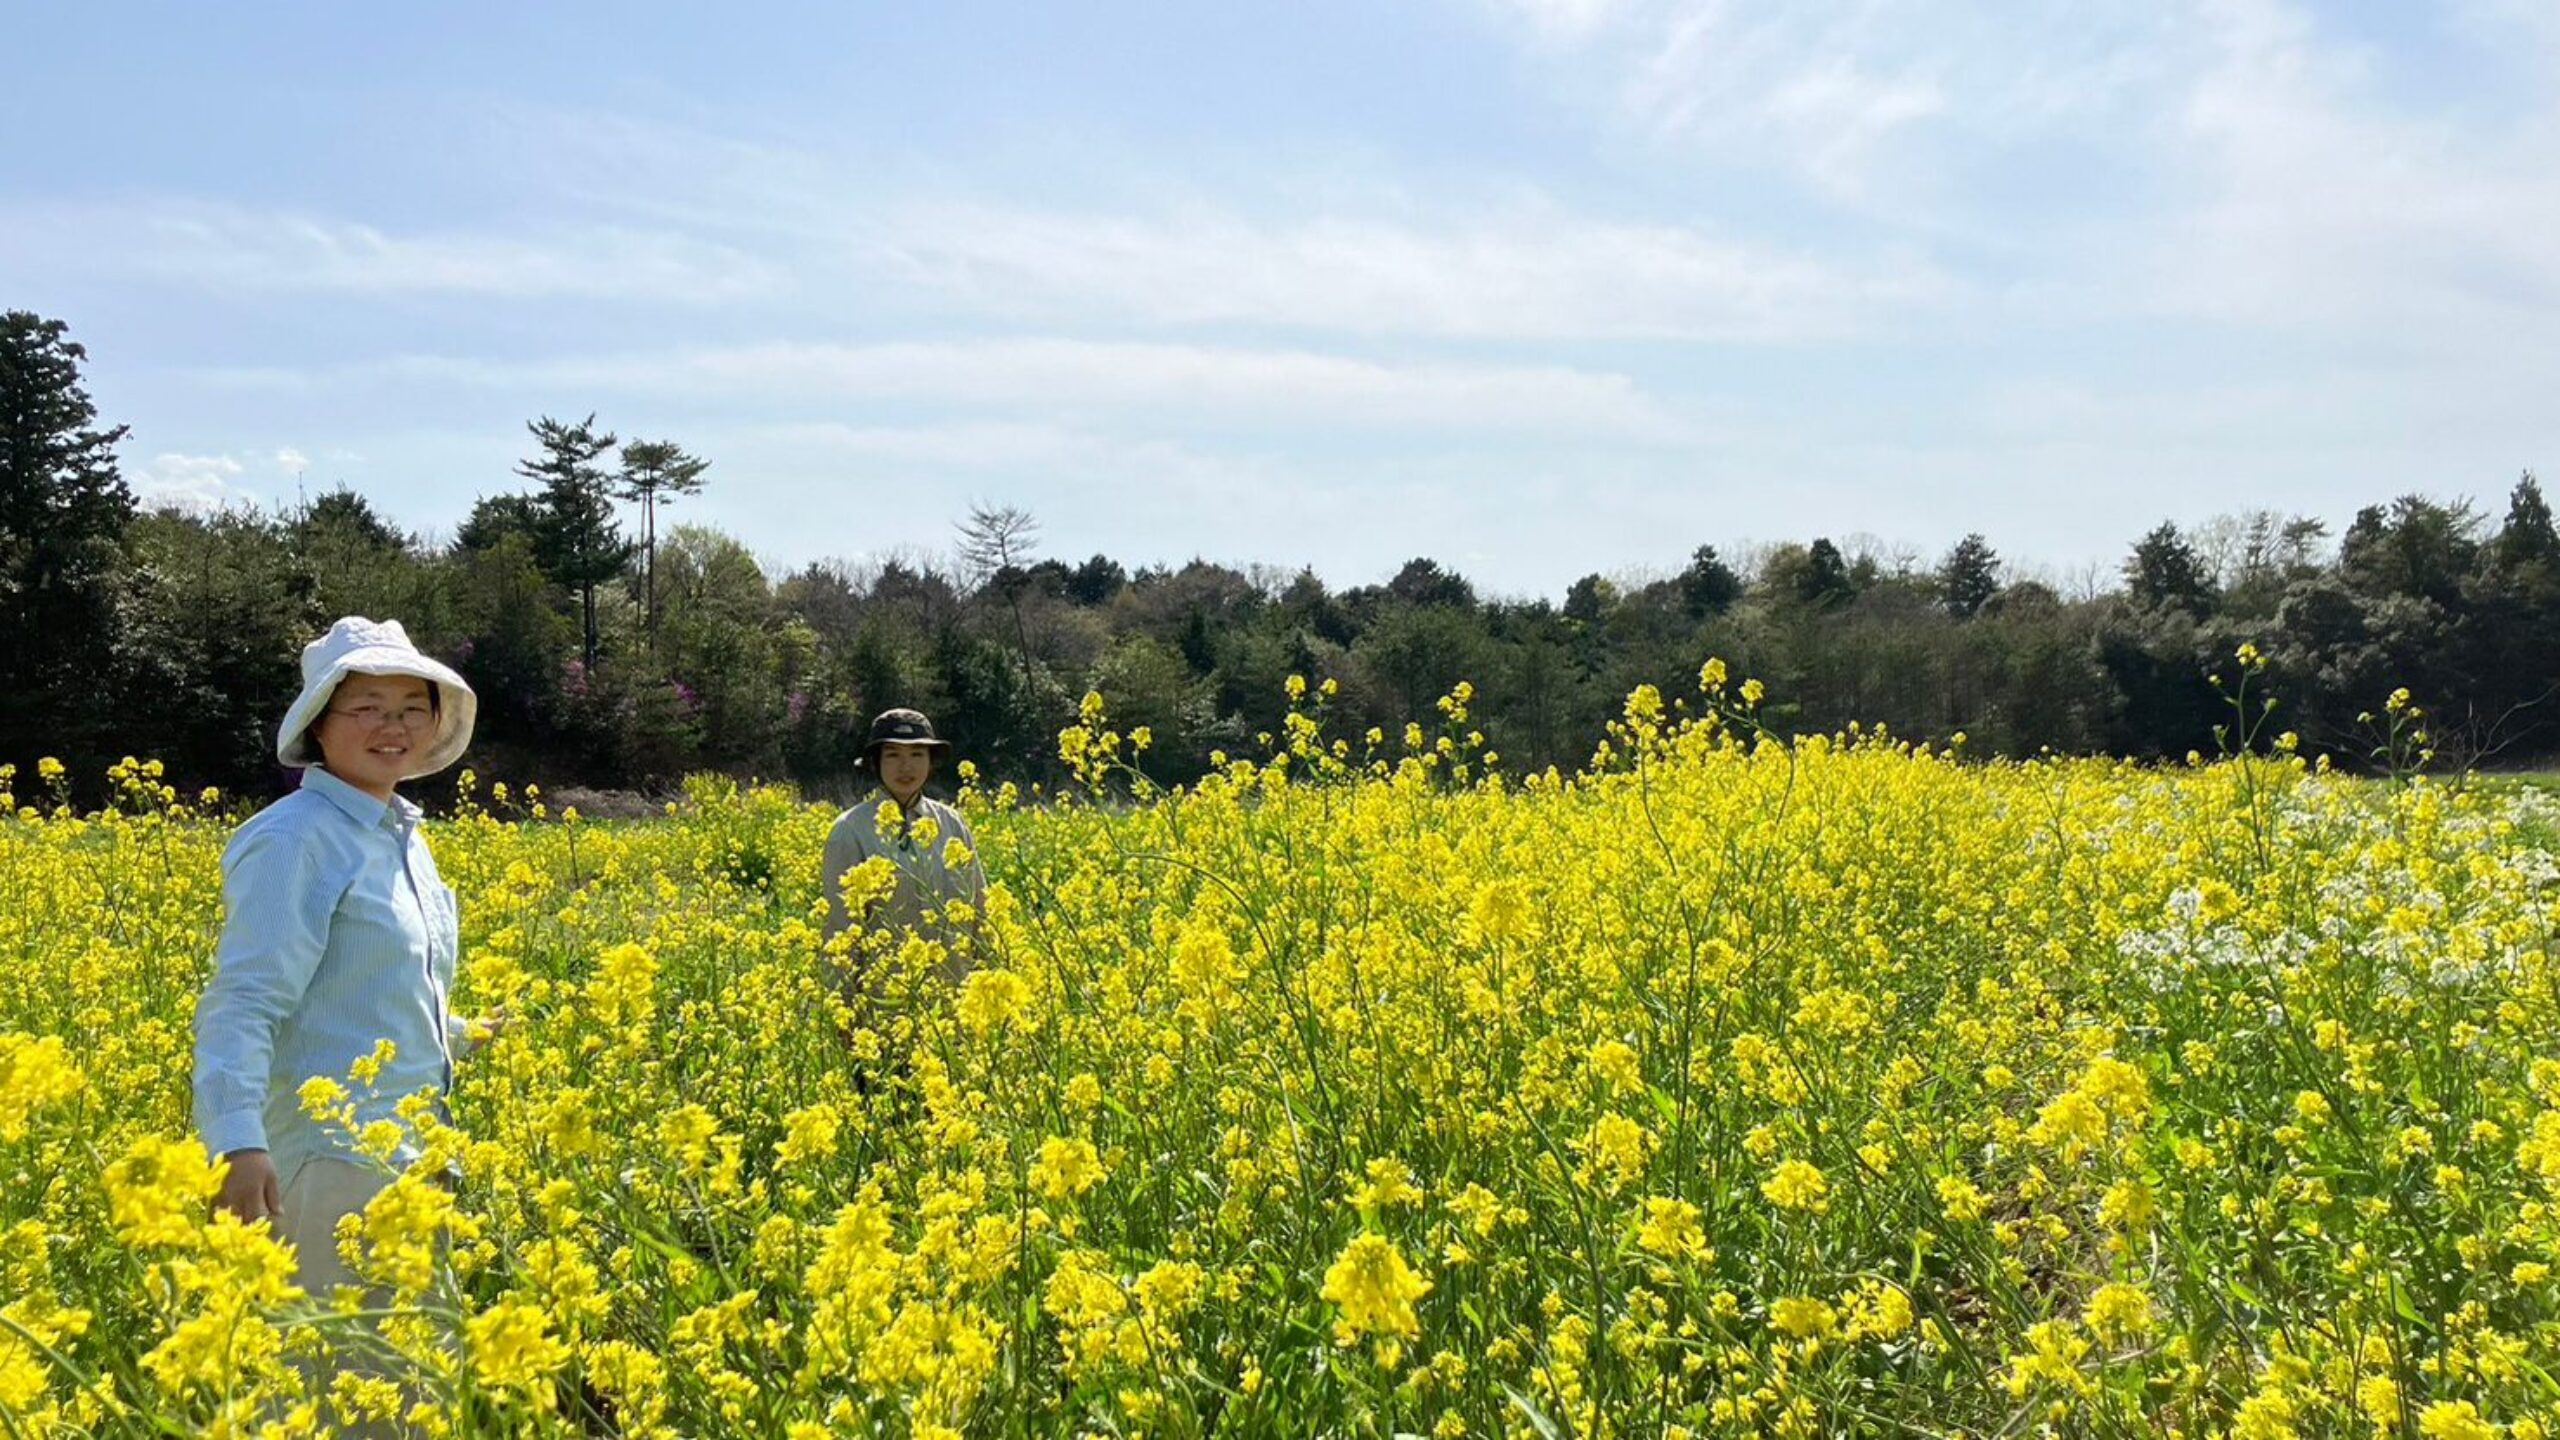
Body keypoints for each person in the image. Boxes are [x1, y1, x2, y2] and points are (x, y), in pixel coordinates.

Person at [192, 616, 495, 1301]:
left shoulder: (398, 835)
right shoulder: (295, 839)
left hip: (412, 1149)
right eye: (366, 708)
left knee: (411, 1385)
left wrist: (458, 1033)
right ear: (320, 725)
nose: (393, 726)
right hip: (331, 1160)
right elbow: (244, 1001)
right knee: (340, 1392)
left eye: (412, 709)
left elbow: (361, 993)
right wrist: (237, 1141)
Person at [819, 708, 989, 993]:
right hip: (884, 1012)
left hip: (956, 1010)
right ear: (876, 763)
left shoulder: (952, 823)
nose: (906, 767)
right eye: (893, 755)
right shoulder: (850, 831)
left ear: (931, 762)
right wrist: (843, 1009)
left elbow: (981, 914)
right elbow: (839, 930)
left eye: (917, 755)